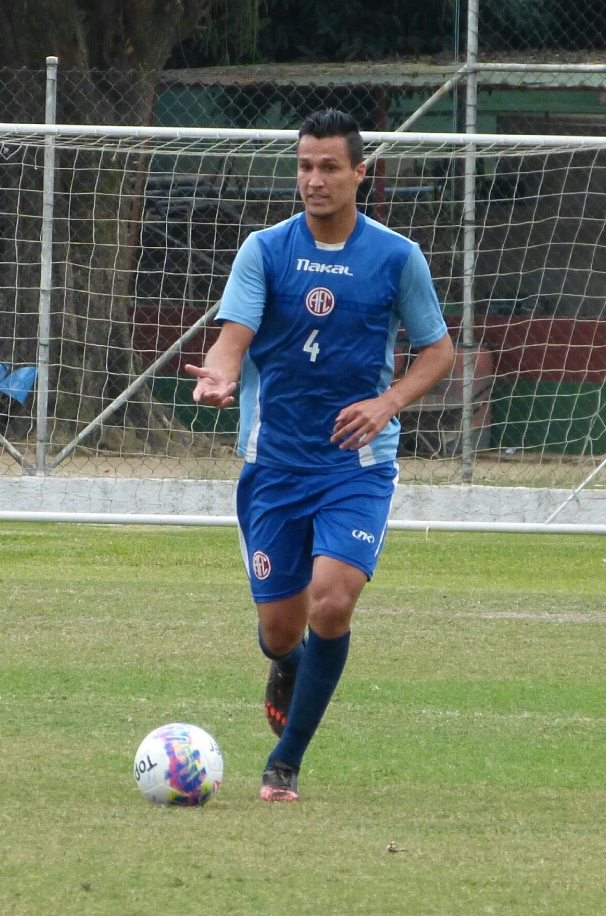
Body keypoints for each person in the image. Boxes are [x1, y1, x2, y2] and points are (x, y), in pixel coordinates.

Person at [184, 109, 455, 802]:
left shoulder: (396, 257)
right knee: (281, 630)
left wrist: (388, 403)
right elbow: (234, 335)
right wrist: (218, 372)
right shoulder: (265, 251)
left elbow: (438, 351)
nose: (315, 179)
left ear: (360, 174)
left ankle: (286, 762)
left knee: (332, 602)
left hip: (354, 465)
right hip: (273, 462)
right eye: (305, 165)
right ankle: (288, 665)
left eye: (330, 166)